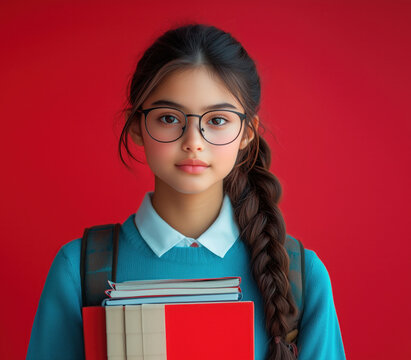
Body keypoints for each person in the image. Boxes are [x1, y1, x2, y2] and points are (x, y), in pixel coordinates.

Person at [26, 23, 345, 360]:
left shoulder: (300, 274)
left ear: (248, 132)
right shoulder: (77, 269)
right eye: (168, 118)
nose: (193, 141)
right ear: (136, 126)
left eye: (217, 120)